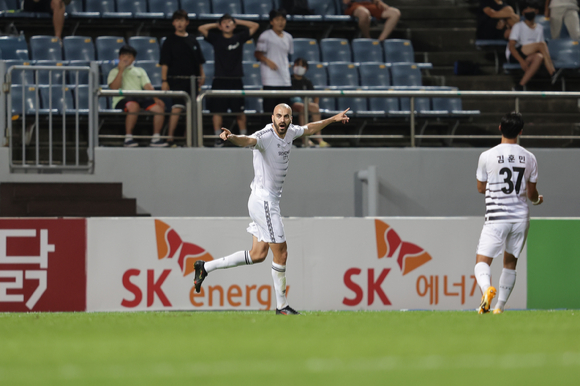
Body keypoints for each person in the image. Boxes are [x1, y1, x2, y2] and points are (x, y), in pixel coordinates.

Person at [193, 104, 350, 315]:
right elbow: (248, 140)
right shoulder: (266, 135)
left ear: (290, 118)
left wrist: (333, 119)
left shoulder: (291, 131)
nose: (282, 120)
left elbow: (310, 128)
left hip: (267, 201)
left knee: (258, 254)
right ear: (272, 117)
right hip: (263, 201)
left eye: (286, 116)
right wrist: (231, 138)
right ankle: (282, 306)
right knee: (282, 253)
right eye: (279, 116)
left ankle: (205, 267)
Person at [474, 111, 543, 314]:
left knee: (482, 262)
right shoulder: (530, 158)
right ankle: (500, 307)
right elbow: (531, 193)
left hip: (496, 217)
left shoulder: (486, 156)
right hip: (520, 218)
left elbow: (480, 188)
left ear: (500, 128)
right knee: (510, 263)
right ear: (520, 132)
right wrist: (537, 199)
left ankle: (487, 291)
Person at [199, 15, 259, 147]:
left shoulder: (239, 37)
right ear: (220, 26)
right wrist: (218, 24)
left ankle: (243, 139)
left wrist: (236, 22)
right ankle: (218, 138)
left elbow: (255, 26)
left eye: (229, 22)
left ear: (234, 25)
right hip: (219, 80)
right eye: (224, 23)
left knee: (240, 111)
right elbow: (201, 28)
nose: (227, 24)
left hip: (236, 80)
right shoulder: (216, 38)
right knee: (217, 111)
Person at [160, 10, 206, 147]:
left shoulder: (193, 39)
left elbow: (199, 61)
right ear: (173, 23)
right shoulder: (169, 41)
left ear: (187, 22)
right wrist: (164, 81)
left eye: (182, 20)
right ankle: (170, 138)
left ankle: (190, 139)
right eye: (177, 20)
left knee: (192, 110)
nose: (179, 23)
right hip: (176, 80)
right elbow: (164, 63)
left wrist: (201, 75)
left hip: (192, 81)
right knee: (177, 108)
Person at [108, 45, 166, 147]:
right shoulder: (114, 72)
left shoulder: (140, 71)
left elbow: (148, 86)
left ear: (133, 59)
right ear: (119, 57)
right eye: (123, 56)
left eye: (129, 56)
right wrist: (121, 71)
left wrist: (156, 99)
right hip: (122, 99)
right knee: (134, 106)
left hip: (140, 98)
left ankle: (156, 138)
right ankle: (128, 138)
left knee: (159, 108)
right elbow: (114, 88)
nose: (126, 59)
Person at [506, 3, 557, 91]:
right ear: (523, 12)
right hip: (517, 54)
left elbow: (541, 50)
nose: (529, 10)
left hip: (530, 55)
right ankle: (552, 73)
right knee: (542, 45)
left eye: (531, 8)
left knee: (539, 57)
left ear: (536, 11)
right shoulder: (518, 26)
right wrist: (521, 61)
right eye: (526, 9)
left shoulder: (539, 28)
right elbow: (511, 47)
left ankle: (520, 86)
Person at [255, 9, 293, 115]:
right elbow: (257, 54)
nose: (280, 22)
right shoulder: (265, 36)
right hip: (270, 80)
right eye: (277, 19)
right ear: (271, 21)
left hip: (285, 80)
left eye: (283, 19)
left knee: (286, 114)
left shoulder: (288, 37)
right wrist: (268, 61)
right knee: (270, 113)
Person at [290, 58, 330, 148]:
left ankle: (318, 137)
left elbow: (315, 95)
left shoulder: (306, 81)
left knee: (315, 107)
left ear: (306, 69)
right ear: (294, 66)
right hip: (291, 105)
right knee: (302, 108)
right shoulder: (289, 80)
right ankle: (305, 139)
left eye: (302, 66)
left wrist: (314, 104)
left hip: (305, 104)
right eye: (297, 65)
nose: (300, 67)